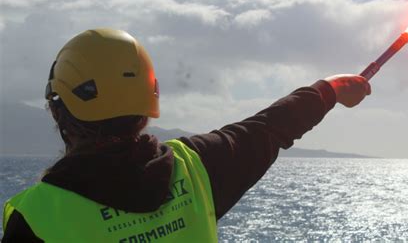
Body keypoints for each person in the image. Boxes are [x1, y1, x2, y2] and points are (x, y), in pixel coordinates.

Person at [2, 29, 370, 242]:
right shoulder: (195, 168)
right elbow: (271, 126)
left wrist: (330, 90)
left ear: (58, 109)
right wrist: (330, 90)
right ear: (146, 105)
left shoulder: (36, 219)